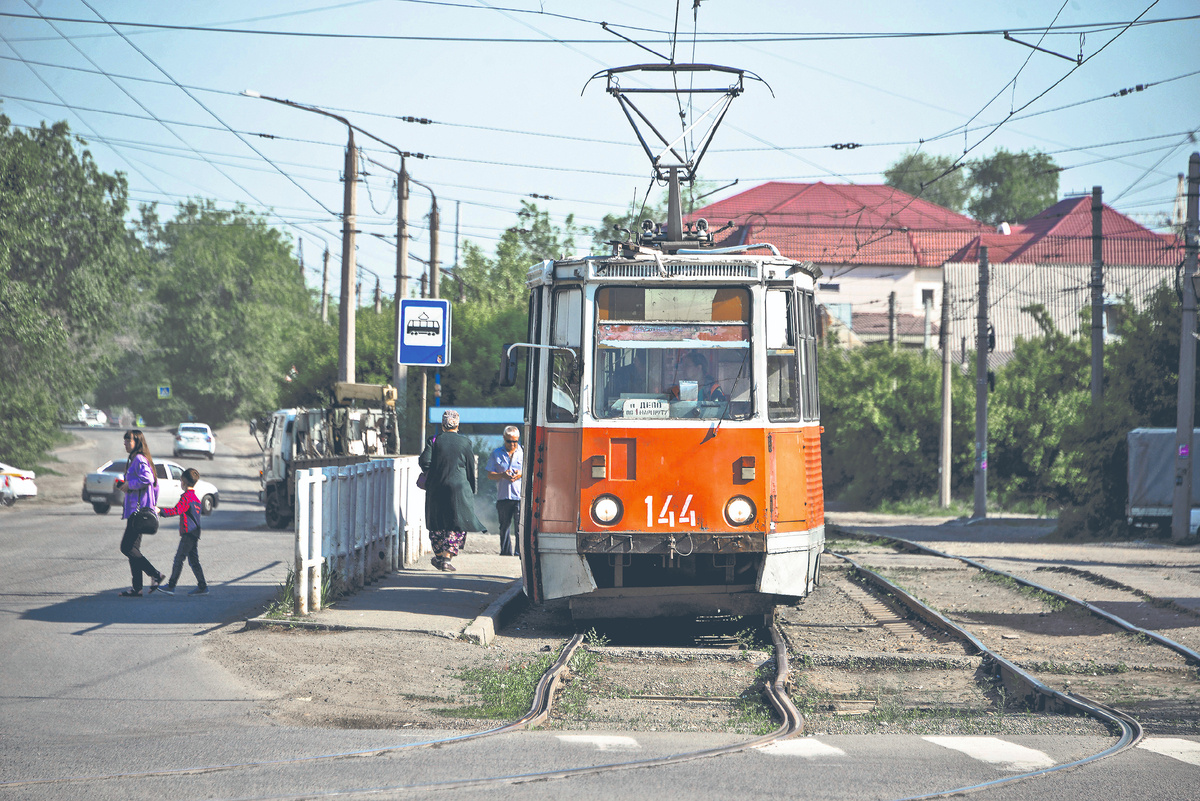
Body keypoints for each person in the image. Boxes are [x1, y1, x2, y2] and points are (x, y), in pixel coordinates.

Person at [418, 410, 485, 572]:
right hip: (459, 488)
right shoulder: (465, 442)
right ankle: (447, 559)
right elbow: (470, 467)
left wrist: (436, 471)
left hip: (437, 487)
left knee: (437, 521)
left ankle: (440, 555)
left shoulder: (433, 440)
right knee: (457, 521)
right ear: (457, 424)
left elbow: (424, 462)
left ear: (442, 424)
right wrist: (471, 488)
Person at [116, 429, 165, 597]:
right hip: (138, 510)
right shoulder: (138, 459)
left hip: (137, 512)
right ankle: (137, 588)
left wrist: (130, 485)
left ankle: (155, 574)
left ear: (136, 442)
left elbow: (149, 479)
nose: (124, 443)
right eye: (124, 440)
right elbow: (155, 486)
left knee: (126, 547)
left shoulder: (138, 459)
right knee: (133, 548)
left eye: (128, 440)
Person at [156, 467, 208, 596]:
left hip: (188, 534)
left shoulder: (187, 497)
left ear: (183, 482)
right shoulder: (196, 498)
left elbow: (176, 510)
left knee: (179, 558)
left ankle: (171, 586)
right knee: (194, 561)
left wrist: (160, 511)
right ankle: (202, 586)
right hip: (194, 533)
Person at [485, 425, 523, 557]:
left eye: (515, 441)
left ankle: (519, 551)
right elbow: (490, 474)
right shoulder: (496, 453)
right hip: (503, 496)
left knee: (520, 526)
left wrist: (520, 475)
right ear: (504, 439)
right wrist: (502, 475)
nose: (512, 444)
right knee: (504, 526)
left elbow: (531, 472)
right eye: (509, 441)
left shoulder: (523, 453)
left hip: (519, 496)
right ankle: (506, 552)